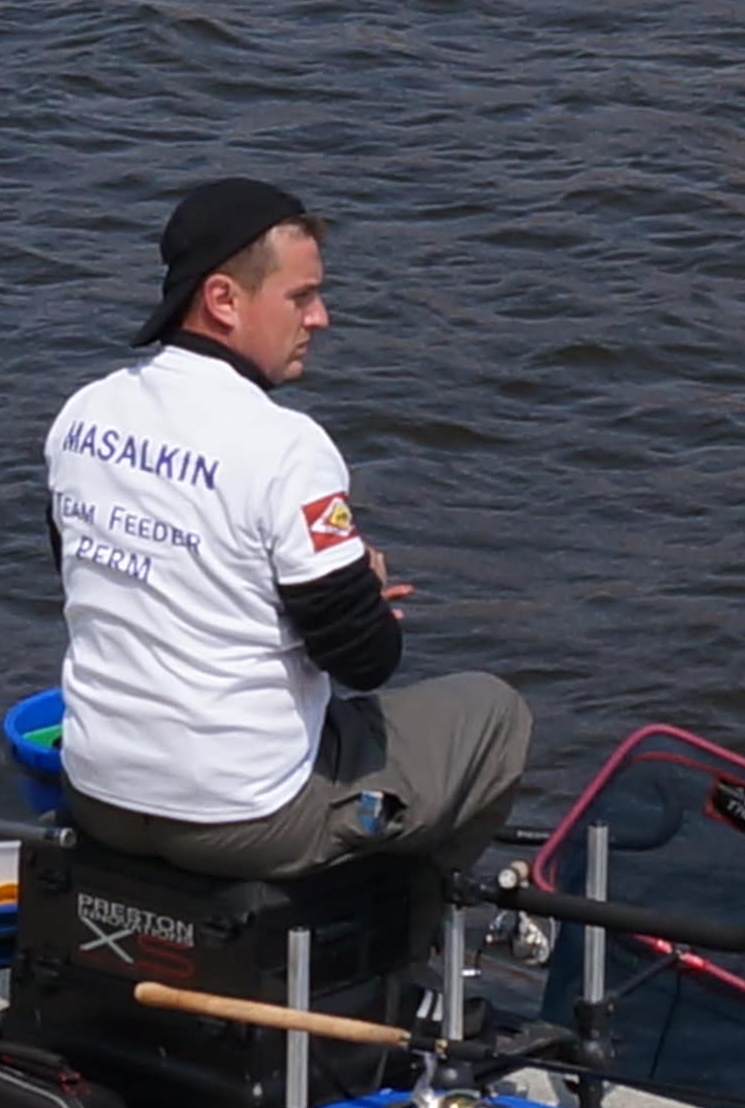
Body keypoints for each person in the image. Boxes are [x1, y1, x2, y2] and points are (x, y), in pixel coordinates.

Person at [45, 177, 531, 878]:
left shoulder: (83, 415)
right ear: (222, 299)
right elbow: (366, 661)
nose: (320, 318)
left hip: (99, 793)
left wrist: (323, 603)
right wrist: (361, 597)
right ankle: (406, 929)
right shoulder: (286, 447)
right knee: (493, 714)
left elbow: (103, 576)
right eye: (300, 297)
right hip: (241, 815)